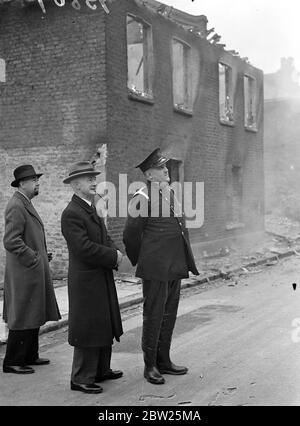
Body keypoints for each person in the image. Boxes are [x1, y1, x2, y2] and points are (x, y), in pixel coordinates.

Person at [123, 148, 199, 385]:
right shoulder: (142, 198)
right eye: (160, 168)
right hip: (155, 267)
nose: (166, 170)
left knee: (169, 313)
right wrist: (142, 259)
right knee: (154, 315)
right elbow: (130, 235)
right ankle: (150, 366)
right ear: (149, 175)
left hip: (175, 264)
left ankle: (164, 360)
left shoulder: (170, 194)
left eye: (165, 167)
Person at [61, 161, 123, 394]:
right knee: (87, 328)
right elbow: (83, 248)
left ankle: (101, 370)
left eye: (94, 178)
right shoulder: (71, 213)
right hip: (86, 281)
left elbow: (105, 237)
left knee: (103, 324)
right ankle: (80, 377)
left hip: (99, 276)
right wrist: (112, 257)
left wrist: (117, 254)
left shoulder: (91, 206)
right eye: (89, 179)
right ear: (76, 185)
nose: (94, 181)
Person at [2, 164, 61, 375]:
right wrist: (34, 257)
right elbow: (11, 240)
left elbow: (28, 236)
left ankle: (30, 356)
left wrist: (43, 255)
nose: (37, 183)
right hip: (24, 272)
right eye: (34, 180)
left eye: (38, 179)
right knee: (22, 315)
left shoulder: (25, 203)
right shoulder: (16, 205)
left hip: (32, 269)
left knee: (33, 312)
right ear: (22, 183)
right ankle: (12, 362)